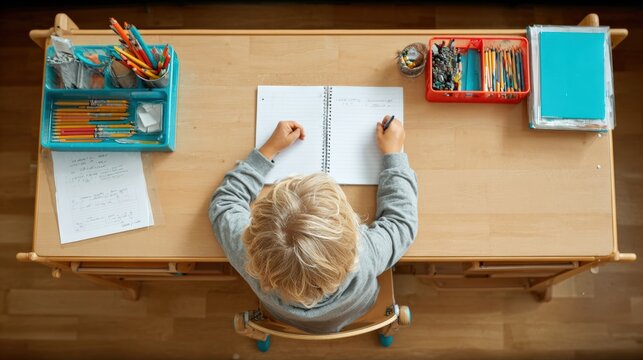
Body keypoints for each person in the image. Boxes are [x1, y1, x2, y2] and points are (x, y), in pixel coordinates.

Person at [209, 116, 418, 333]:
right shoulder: (365, 255)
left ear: (254, 238)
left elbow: (225, 203)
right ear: (352, 241)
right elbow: (401, 221)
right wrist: (394, 154)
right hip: (362, 311)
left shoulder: (250, 256)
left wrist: (268, 150)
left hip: (283, 320)